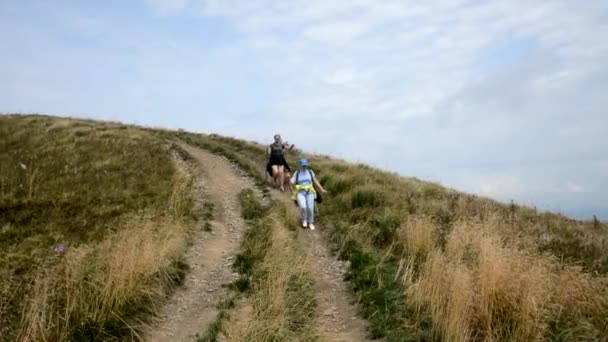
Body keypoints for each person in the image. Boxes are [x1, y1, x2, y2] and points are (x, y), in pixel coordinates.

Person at [291, 158, 327, 230]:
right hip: (300, 192)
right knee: (303, 207)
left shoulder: (310, 172)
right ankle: (304, 220)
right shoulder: (297, 173)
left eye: (305, 165)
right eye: (302, 165)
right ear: (300, 165)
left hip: (310, 192)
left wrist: (321, 189)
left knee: (310, 208)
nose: (304, 167)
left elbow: (315, 181)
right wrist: (289, 179)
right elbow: (292, 181)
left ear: (307, 165)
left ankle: (310, 222)